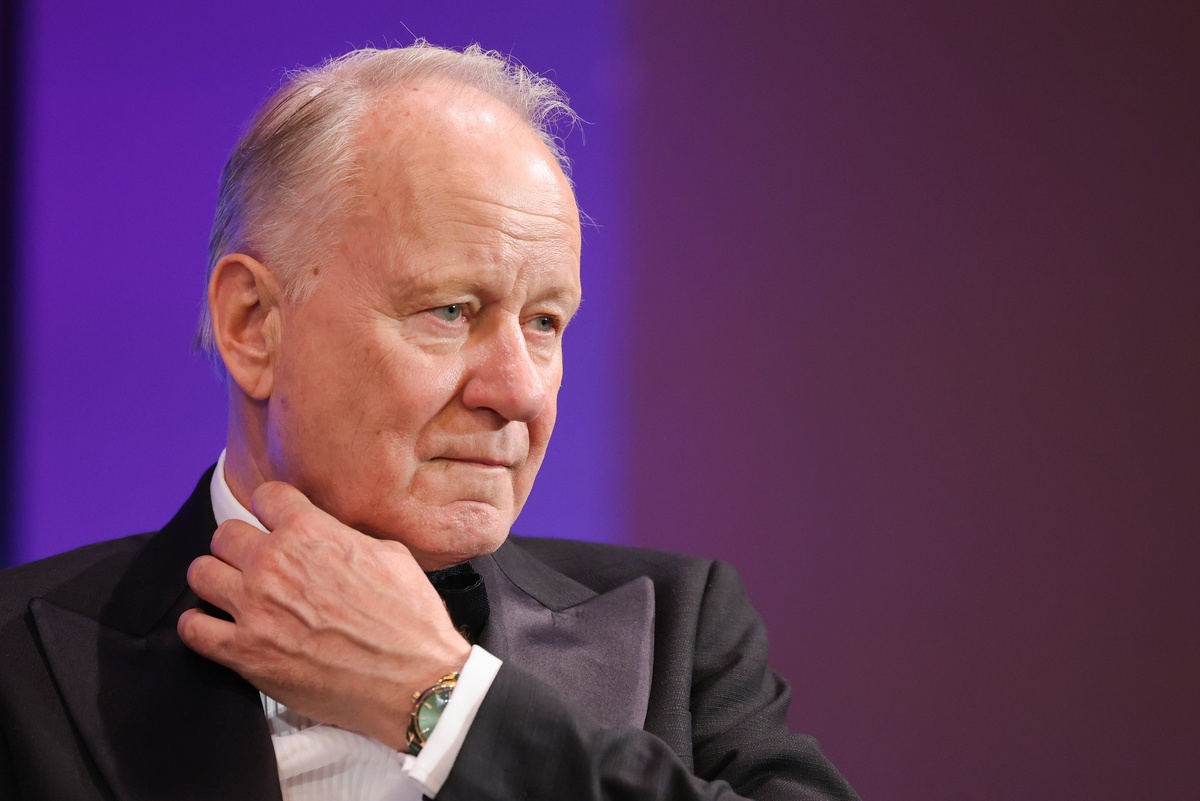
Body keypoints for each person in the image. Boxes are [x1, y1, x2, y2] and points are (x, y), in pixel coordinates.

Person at [0, 43, 859, 800]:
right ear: (253, 325)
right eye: (451, 309)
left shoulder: (675, 628)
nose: (519, 391)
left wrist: (442, 699)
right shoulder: (18, 660)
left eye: (545, 322)